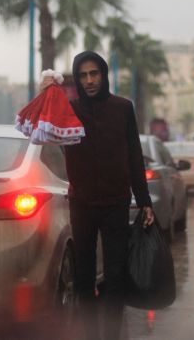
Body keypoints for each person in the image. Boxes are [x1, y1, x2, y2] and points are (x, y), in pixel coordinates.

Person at [41, 51, 154, 340]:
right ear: (78, 79)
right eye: (83, 75)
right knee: (84, 279)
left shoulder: (123, 108)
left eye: (94, 74)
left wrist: (144, 201)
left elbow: (134, 156)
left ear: (103, 75)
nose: (89, 80)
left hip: (116, 202)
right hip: (82, 205)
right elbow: (42, 124)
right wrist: (46, 91)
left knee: (115, 277)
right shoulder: (70, 110)